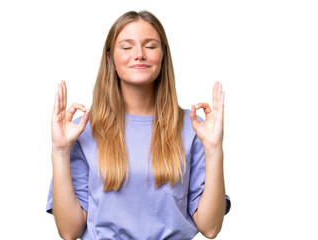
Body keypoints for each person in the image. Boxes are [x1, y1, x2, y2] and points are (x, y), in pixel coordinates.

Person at [46, 10, 231, 240]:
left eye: (151, 46)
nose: (140, 54)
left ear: (163, 56)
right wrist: (60, 151)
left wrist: (214, 150)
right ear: (109, 58)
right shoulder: (81, 131)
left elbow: (211, 228)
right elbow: (69, 231)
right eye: (127, 47)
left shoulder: (195, 130)